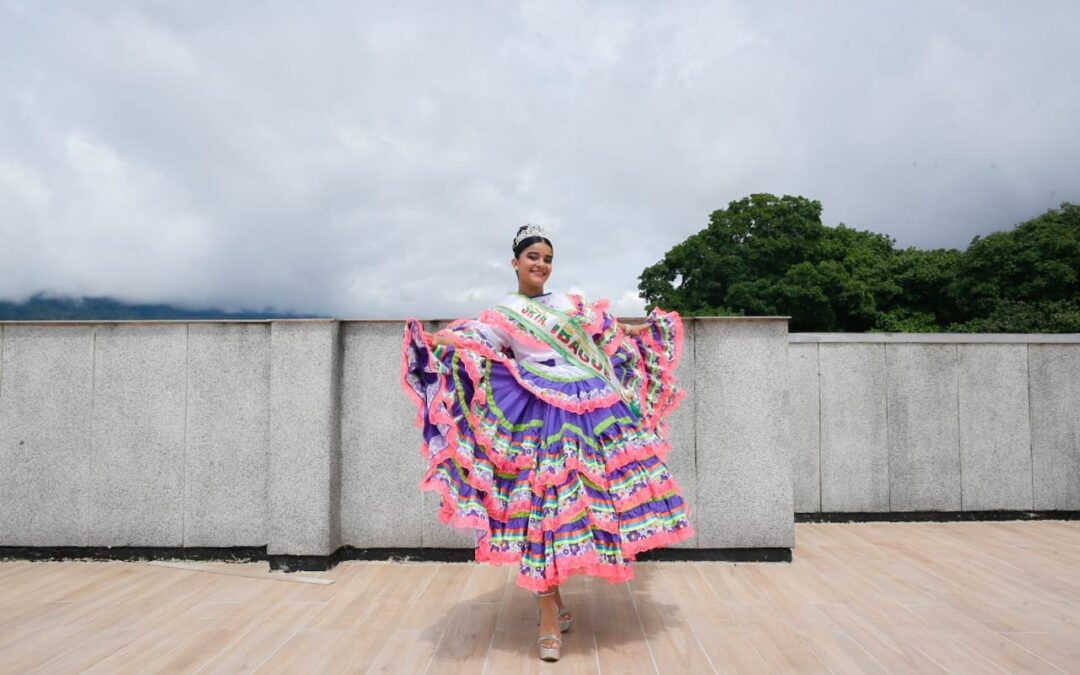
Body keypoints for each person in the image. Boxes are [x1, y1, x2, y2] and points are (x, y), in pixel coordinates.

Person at [400, 224, 694, 661]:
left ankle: (553, 600)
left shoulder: (567, 303)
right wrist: (436, 340)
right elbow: (477, 341)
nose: (541, 265)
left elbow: (600, 334)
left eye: (548, 258)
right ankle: (548, 614)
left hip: (589, 403)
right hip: (534, 410)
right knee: (540, 508)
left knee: (584, 505)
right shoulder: (503, 311)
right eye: (533, 256)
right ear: (515, 262)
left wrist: (637, 333)